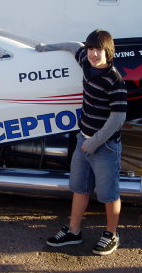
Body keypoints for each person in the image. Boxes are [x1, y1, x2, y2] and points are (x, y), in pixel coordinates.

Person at [35, 29, 127, 255]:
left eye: (99, 50)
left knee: (108, 194)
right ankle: (74, 231)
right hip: (83, 140)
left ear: (108, 51)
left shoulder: (115, 81)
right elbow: (72, 45)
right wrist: (45, 47)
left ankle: (111, 235)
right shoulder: (86, 61)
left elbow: (118, 118)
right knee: (79, 188)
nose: (94, 54)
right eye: (91, 49)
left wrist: (94, 142)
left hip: (104, 146)